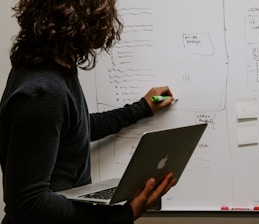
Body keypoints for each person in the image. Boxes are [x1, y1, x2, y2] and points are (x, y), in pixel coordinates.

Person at [0, 0, 177, 223]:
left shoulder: (53, 69)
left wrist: (141, 108)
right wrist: (125, 214)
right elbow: (29, 203)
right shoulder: (42, 91)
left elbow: (74, 129)